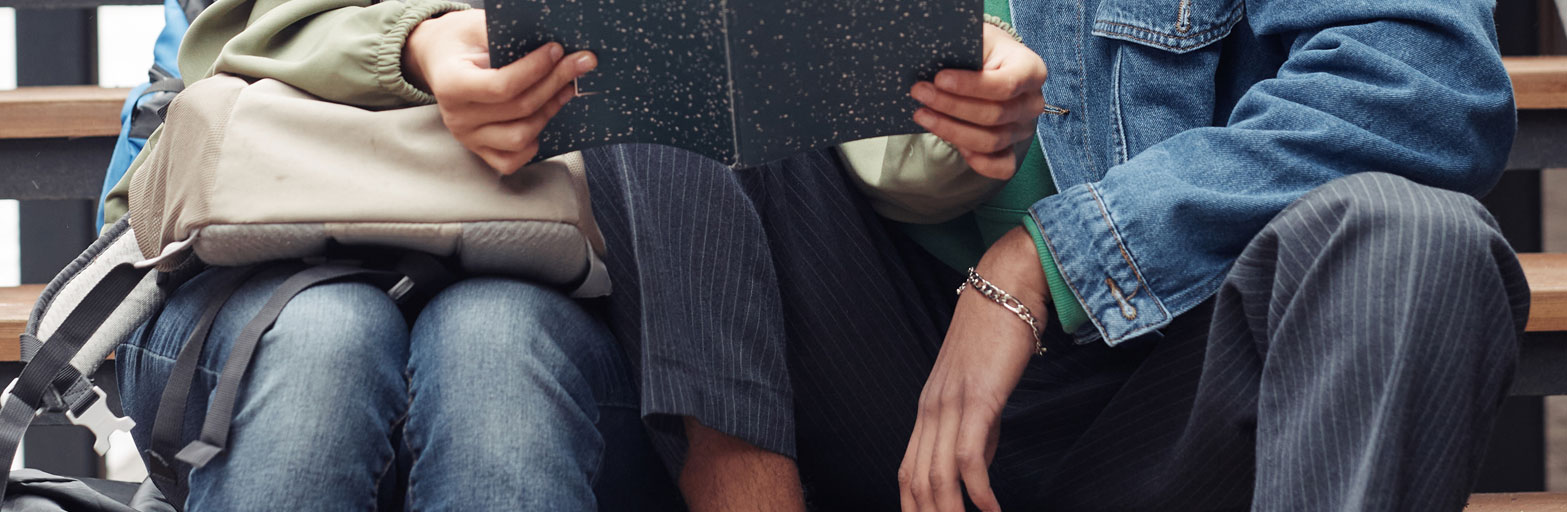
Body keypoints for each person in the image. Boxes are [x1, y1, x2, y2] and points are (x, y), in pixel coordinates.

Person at [580, 1, 1528, 512]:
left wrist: (1046, 263)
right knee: (663, 28)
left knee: (1417, 239)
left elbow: (1420, 81)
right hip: (861, 369)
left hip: (1172, 382)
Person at [106, 1, 680, 510]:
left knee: (488, 340)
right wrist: (415, 41)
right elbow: (223, 40)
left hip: (578, 309)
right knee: (330, 339)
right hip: (238, 283)